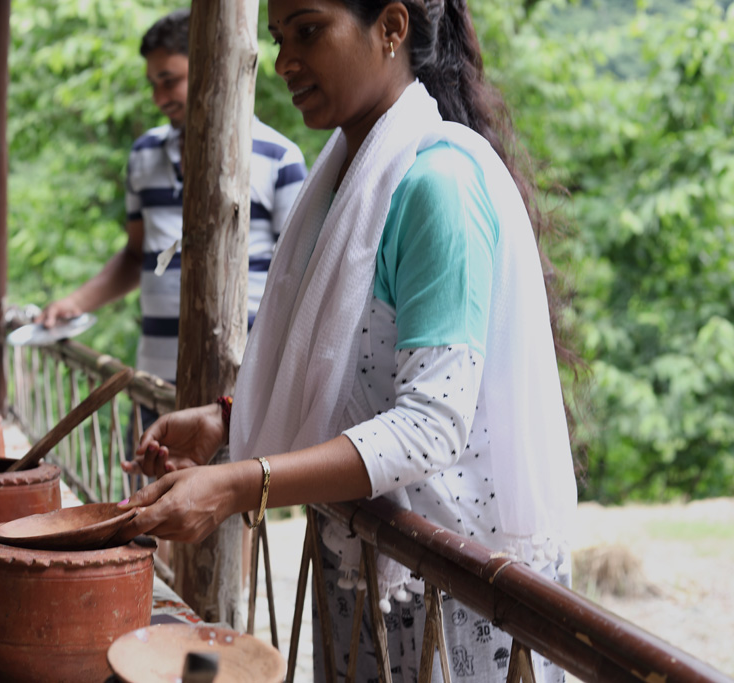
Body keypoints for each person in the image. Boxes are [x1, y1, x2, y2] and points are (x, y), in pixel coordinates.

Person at [118, 0, 577, 681]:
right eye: (279, 38)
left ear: (391, 27)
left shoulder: (439, 187)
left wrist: (238, 484)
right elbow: (354, 375)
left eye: (308, 31)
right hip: (366, 569)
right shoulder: (342, 183)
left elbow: (429, 426)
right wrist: (228, 421)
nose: (284, 62)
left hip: (450, 591)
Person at [38, 8, 308, 407]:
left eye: (170, 81)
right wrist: (74, 304)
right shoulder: (143, 155)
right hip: (155, 386)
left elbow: (299, 280)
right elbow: (137, 255)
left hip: (243, 396)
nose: (159, 98)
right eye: (153, 85)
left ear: (208, 66)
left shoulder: (280, 158)